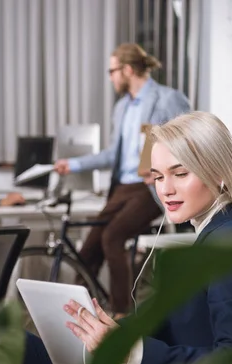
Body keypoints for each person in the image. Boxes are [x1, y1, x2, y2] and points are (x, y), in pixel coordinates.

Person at [16, 111, 232, 364]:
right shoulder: (210, 237)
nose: (165, 190)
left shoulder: (229, 245)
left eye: (180, 174)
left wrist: (135, 352)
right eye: (158, 177)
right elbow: (176, 327)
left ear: (218, 174)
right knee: (9, 343)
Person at [53, 43, 191, 314]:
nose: (110, 77)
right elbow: (111, 156)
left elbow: (189, 141)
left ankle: (121, 316)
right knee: (90, 247)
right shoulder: (121, 109)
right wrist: (74, 164)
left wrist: (165, 170)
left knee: (113, 237)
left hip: (148, 188)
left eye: (112, 70)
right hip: (122, 187)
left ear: (127, 70)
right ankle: (76, 311)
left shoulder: (167, 99)